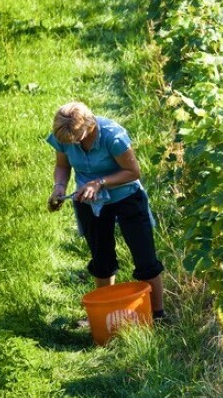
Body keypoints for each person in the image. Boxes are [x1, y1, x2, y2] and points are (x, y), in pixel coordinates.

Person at [46, 102, 165, 321]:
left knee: (145, 257)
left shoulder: (112, 136)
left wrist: (99, 183)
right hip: (89, 200)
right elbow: (63, 166)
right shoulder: (65, 135)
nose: (73, 144)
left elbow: (133, 172)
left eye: (77, 138)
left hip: (126, 196)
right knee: (101, 258)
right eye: (68, 142)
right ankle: (106, 312)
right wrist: (59, 188)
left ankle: (158, 315)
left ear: (90, 124)